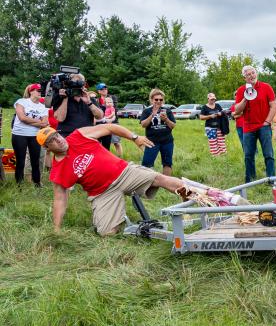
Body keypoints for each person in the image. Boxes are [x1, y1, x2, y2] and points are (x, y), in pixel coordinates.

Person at [38, 125, 187, 235]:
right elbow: (60, 200)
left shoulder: (78, 135)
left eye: (57, 135)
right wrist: (56, 230)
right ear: (47, 147)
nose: (59, 140)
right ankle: (120, 219)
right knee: (107, 234)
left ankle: (199, 200)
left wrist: (135, 137)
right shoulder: (58, 171)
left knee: (160, 179)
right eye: (52, 140)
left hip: (124, 173)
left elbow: (109, 128)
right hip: (102, 193)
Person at [233, 65, 276, 182]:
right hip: (248, 127)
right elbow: (237, 110)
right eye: (248, 74)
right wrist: (245, 98)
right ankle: (250, 181)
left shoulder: (266, 87)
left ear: (256, 73)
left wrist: (267, 121)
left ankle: (271, 179)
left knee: (268, 154)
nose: (251, 76)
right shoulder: (241, 90)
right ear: (244, 78)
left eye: (253, 73)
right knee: (248, 155)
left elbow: (273, 106)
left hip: (264, 126)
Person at [12, 83, 48, 187]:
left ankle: (37, 182)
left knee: (35, 160)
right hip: (19, 134)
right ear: (31, 91)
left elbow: (45, 123)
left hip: (34, 135)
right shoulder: (21, 102)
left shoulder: (43, 106)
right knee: (20, 160)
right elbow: (22, 118)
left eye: (41, 90)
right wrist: (39, 122)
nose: (40, 92)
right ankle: (19, 184)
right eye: (38, 90)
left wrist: (34, 122)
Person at [53, 72, 104, 137]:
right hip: (67, 135)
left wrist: (89, 103)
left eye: (79, 84)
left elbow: (100, 116)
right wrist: (65, 98)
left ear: (84, 85)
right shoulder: (61, 97)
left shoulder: (89, 98)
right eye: (74, 84)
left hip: (87, 135)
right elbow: (60, 118)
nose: (77, 88)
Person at [139, 89, 177, 176]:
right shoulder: (147, 111)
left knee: (167, 163)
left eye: (161, 99)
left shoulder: (167, 111)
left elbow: (173, 126)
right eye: (156, 99)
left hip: (167, 141)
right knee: (146, 164)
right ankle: (146, 184)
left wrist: (166, 119)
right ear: (151, 100)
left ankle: (167, 183)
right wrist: (152, 114)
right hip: (152, 141)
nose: (158, 101)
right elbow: (143, 125)